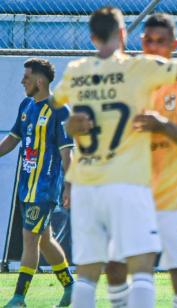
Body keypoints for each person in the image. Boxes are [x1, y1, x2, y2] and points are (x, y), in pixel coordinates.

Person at [50, 6, 177, 307]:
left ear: (175, 44)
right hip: (133, 189)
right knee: (115, 270)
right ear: (133, 39)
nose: (152, 46)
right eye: (147, 40)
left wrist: (162, 125)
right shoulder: (130, 75)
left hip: (175, 198)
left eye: (160, 41)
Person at [0, 58, 74, 307]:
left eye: (27, 78)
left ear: (39, 81)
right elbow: (12, 139)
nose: (22, 81)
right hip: (26, 185)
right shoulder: (26, 105)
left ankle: (19, 297)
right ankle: (71, 287)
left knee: (29, 238)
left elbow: (66, 153)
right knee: (44, 239)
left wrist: (69, 186)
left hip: (45, 186)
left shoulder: (59, 109)